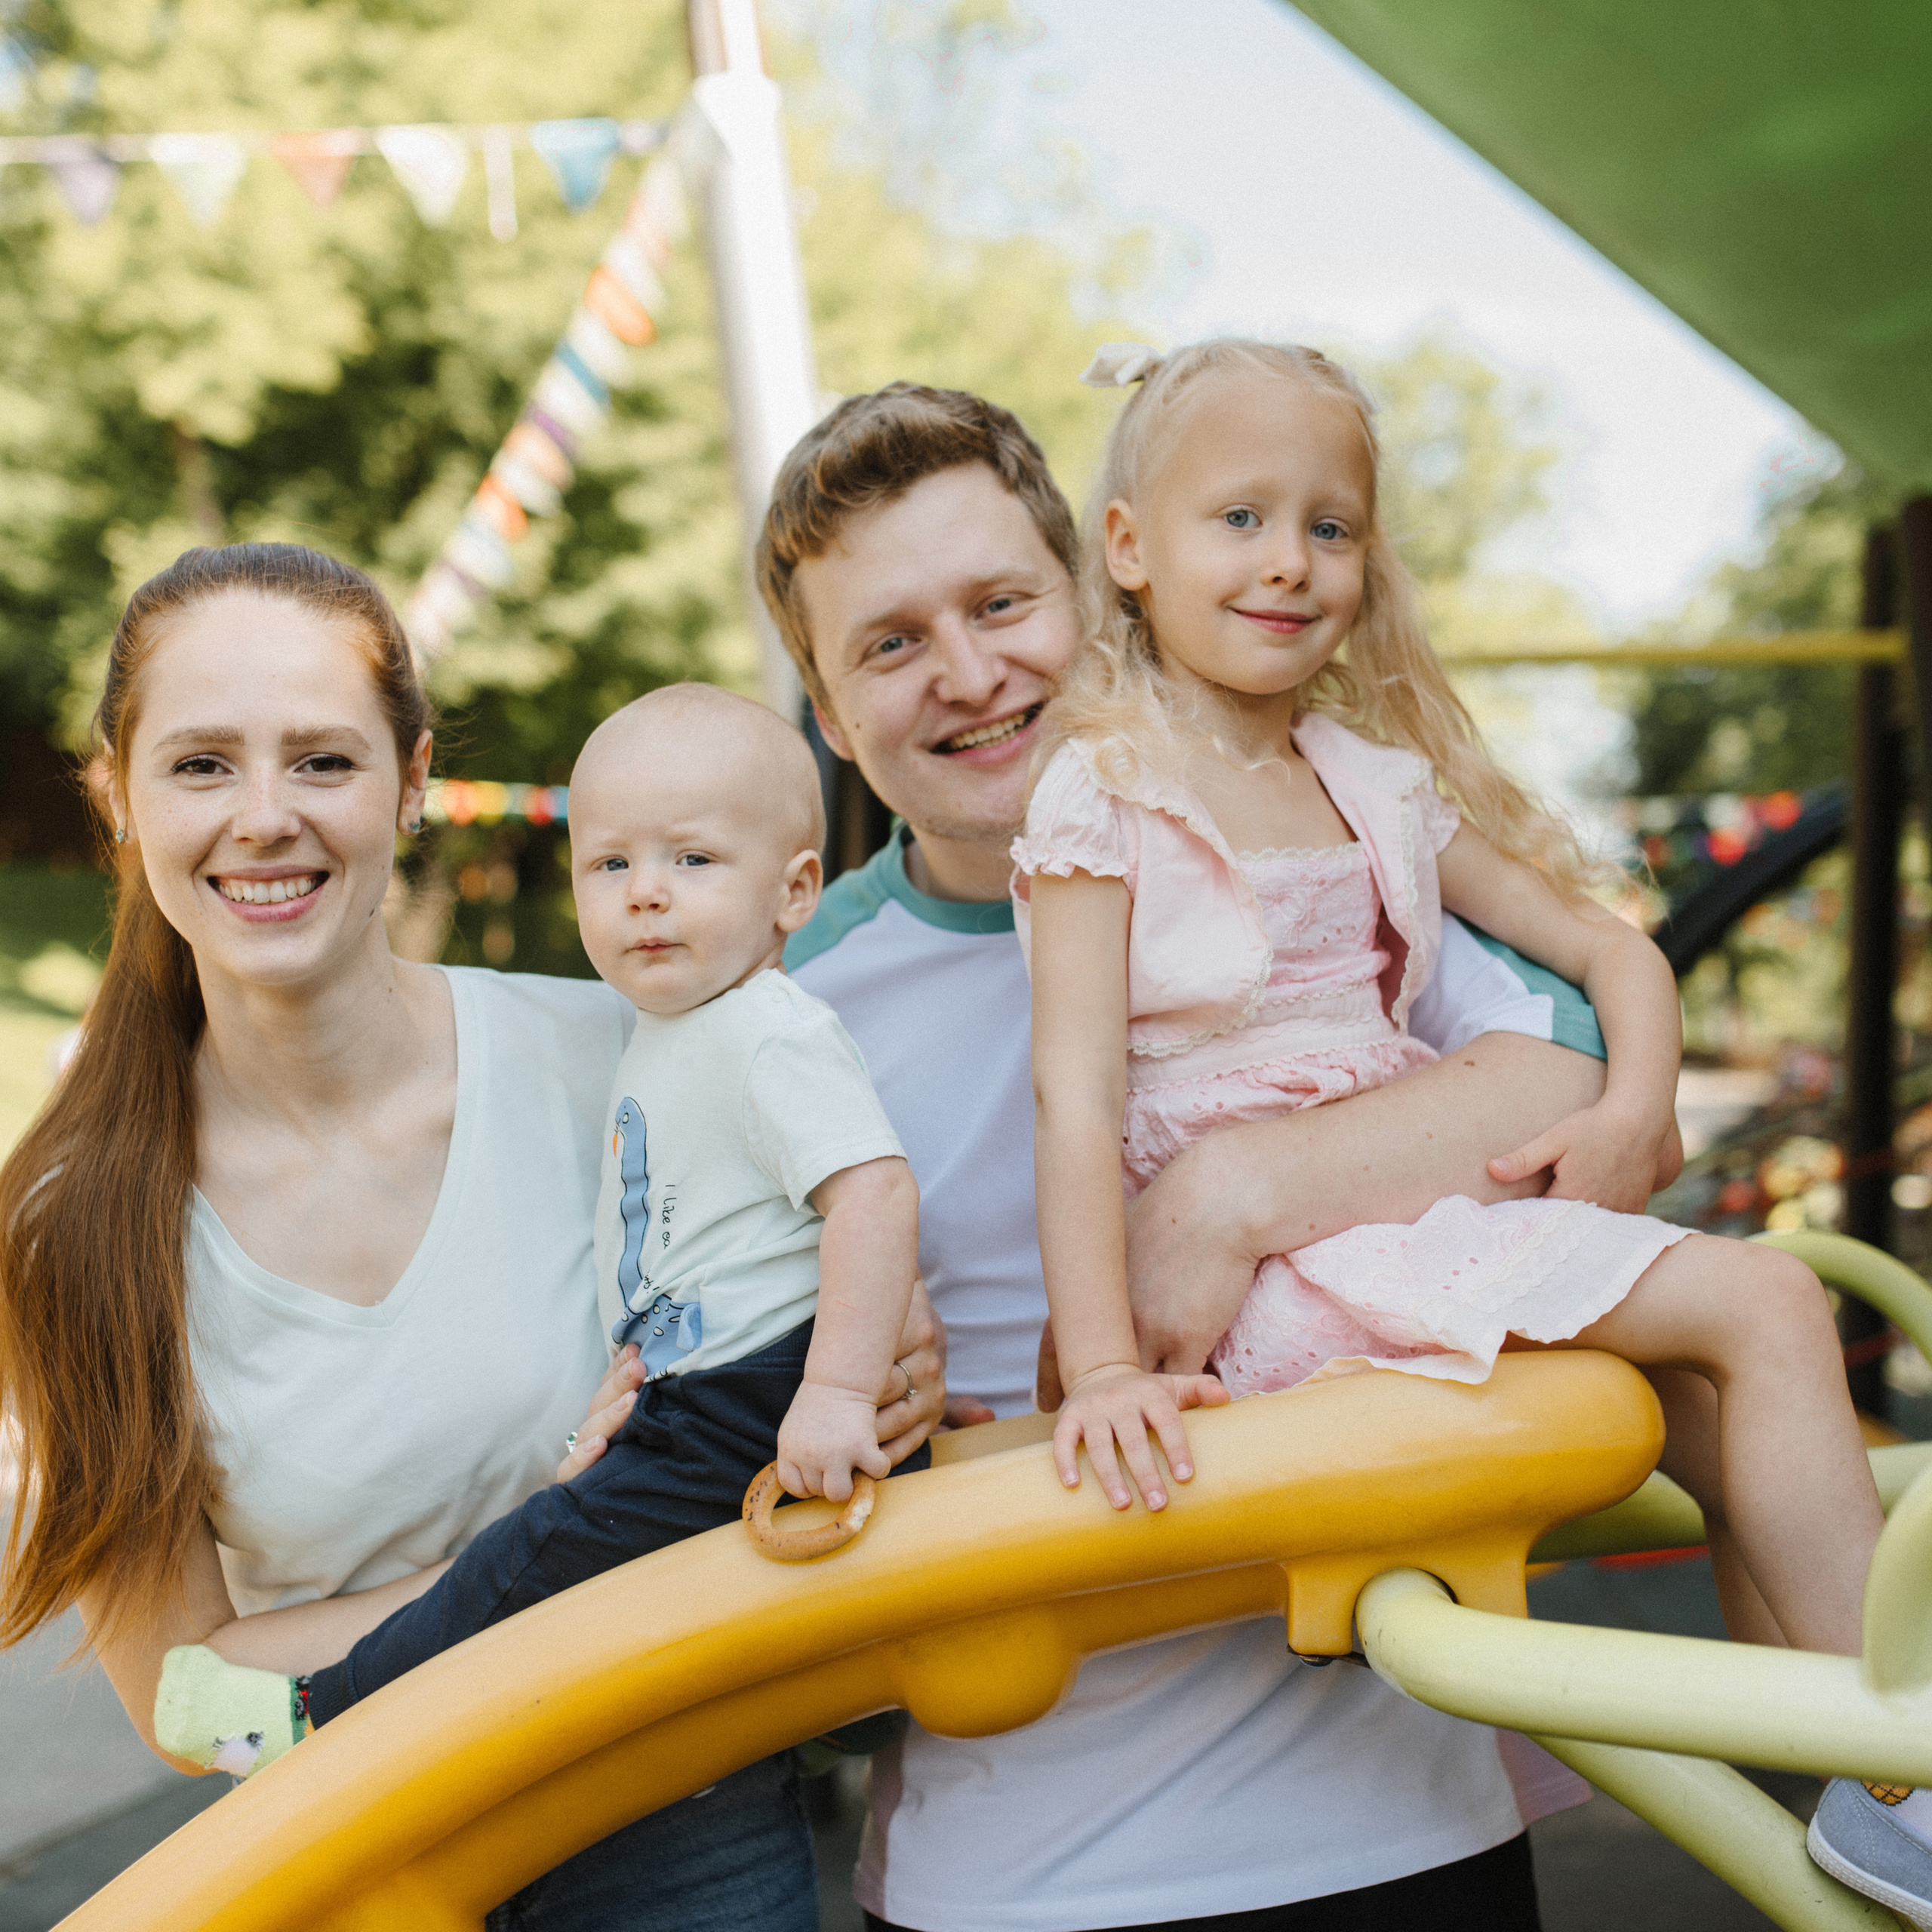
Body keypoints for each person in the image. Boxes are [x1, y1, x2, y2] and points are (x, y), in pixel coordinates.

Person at [758, 381, 1672, 1931]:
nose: (971, 675)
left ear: (1097, 589)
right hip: (1019, 1871)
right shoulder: (798, 1010)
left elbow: (1579, 1077)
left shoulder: (1312, 847)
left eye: (1000, 604)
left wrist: (1233, 1194)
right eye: (890, 644)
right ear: (833, 717)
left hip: (1398, 1812)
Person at [0, 546, 944, 1932]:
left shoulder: (621, 1053)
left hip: (671, 1816)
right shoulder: (71, 1221)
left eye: (322, 761)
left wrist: (877, 1369)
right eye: (203, 765)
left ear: (412, 784)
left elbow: (837, 1308)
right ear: (117, 799)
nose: (266, 818)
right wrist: (547, 1550)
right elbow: (183, 1696)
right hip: (360, 1856)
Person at [1016, 334, 1879, 1660]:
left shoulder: (1377, 789)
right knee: (1761, 1307)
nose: (1290, 558)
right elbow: (1073, 1098)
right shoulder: (1108, 790)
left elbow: (1614, 951)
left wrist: (1631, 1106)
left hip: (1386, 1205)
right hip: (1272, 1274)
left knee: (1730, 1381)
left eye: (1330, 525)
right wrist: (1109, 1366)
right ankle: (1900, 1762)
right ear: (1130, 548)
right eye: (1239, 517)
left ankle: (1848, 1768)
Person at [153, 681, 926, 1780]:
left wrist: (841, 1390)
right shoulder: (663, 1030)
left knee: (535, 1560)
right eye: (612, 866)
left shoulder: (766, 1029)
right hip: (696, 1388)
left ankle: (324, 1712)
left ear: (796, 889)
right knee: (552, 1555)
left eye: (692, 862)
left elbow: (877, 1193)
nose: (647, 896)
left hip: (751, 1388)